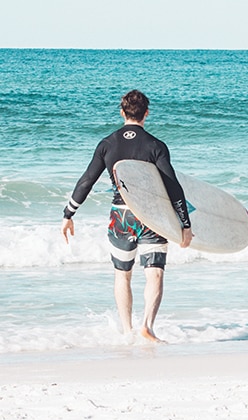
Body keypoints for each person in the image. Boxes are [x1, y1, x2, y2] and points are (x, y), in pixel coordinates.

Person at [61, 90, 193, 343]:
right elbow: (173, 186)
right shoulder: (156, 146)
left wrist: (69, 213)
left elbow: (87, 180)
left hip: (120, 218)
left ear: (122, 112)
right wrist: (185, 224)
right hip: (151, 217)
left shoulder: (107, 144)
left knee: (123, 273)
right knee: (154, 272)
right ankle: (148, 327)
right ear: (147, 113)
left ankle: (127, 330)